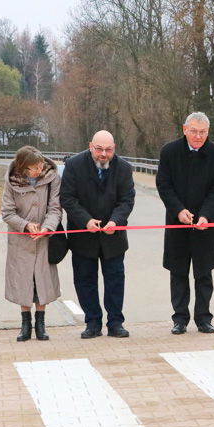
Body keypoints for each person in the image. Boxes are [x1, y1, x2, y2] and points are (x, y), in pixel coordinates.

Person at [156, 112, 214, 334]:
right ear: (184, 129)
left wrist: (206, 214)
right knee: (178, 272)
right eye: (194, 131)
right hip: (177, 222)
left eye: (203, 132)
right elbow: (164, 185)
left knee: (204, 272)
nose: (198, 136)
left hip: (205, 225)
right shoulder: (169, 152)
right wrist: (178, 210)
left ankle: (203, 318)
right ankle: (180, 319)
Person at [61, 130, 135, 338]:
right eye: (99, 149)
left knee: (115, 280)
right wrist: (85, 220)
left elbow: (127, 200)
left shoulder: (124, 168)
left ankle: (115, 322)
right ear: (90, 146)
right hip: (83, 235)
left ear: (114, 149)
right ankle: (92, 322)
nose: (104, 154)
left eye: (108, 150)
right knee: (85, 280)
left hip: (113, 237)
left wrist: (115, 220)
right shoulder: (74, 165)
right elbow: (67, 198)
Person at [1, 146, 62, 342]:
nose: (39, 170)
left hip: (44, 239)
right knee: (24, 282)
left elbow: (55, 208)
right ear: (23, 168)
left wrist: (47, 228)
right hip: (21, 240)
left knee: (42, 282)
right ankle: (25, 324)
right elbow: (7, 212)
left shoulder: (52, 177)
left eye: (40, 165)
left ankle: (41, 324)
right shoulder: (11, 182)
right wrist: (25, 225)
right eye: (34, 168)